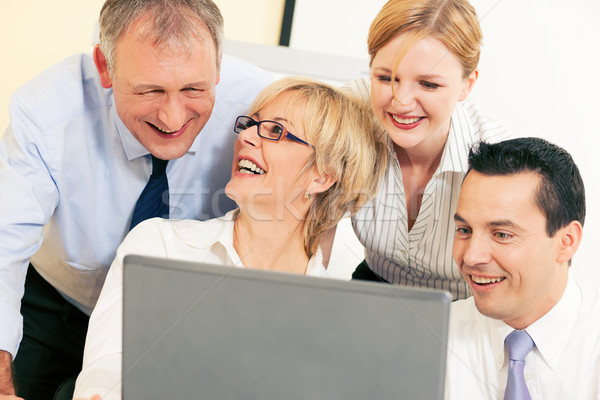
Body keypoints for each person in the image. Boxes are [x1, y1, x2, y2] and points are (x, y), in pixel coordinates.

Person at [0, 0, 273, 398]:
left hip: (183, 321)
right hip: (59, 306)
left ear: (218, 68)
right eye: (150, 90)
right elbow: (3, 247)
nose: (174, 118)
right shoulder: (45, 114)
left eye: (194, 89)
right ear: (105, 66)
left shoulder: (261, 109)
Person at [71, 77, 386, 400]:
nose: (247, 136)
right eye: (251, 124)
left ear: (322, 176)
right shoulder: (161, 247)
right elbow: (107, 364)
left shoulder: (340, 308)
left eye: (276, 131)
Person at [344, 0, 511, 299]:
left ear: (466, 85)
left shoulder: (502, 157)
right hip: (373, 287)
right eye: (386, 78)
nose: (402, 101)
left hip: (466, 307)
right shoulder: (350, 110)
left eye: (428, 84)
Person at [445, 137, 600, 399]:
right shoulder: (434, 338)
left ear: (566, 242)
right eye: (464, 230)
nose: (471, 256)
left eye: (502, 234)